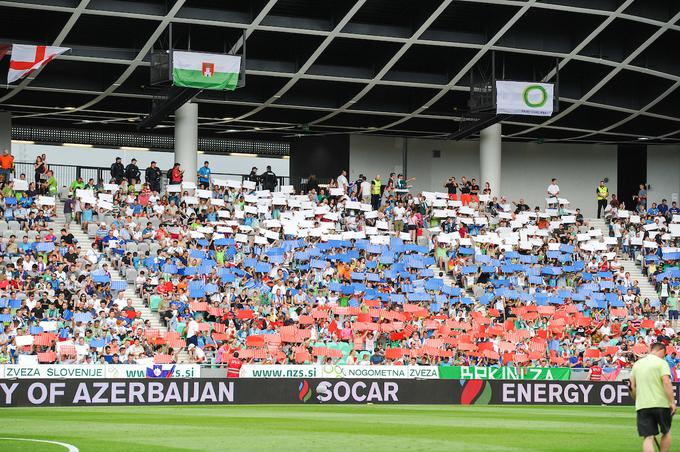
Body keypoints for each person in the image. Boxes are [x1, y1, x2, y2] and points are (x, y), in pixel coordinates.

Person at [630, 342, 676, 452]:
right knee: (666, 432)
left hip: (643, 405)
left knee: (648, 437)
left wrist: (636, 399)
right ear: (663, 352)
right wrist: (672, 402)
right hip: (662, 404)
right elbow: (666, 382)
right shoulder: (662, 363)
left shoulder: (637, 364)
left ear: (651, 349)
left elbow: (632, 386)